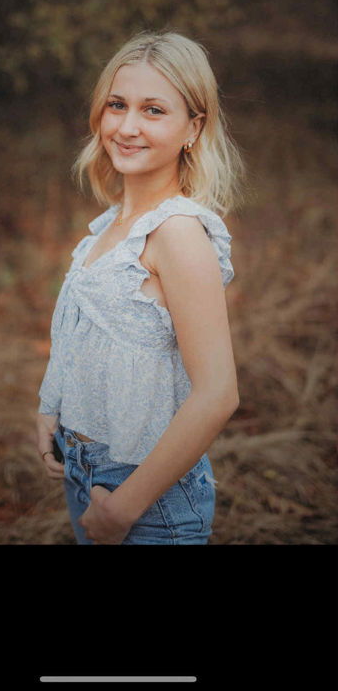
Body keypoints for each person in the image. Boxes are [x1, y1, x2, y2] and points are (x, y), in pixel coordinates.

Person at [36, 30, 246, 545]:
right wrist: (50, 410)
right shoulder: (113, 223)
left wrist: (123, 508)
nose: (127, 127)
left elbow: (218, 395)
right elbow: (85, 336)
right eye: (117, 105)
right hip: (83, 470)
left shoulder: (177, 234)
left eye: (153, 110)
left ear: (193, 127)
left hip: (147, 497)